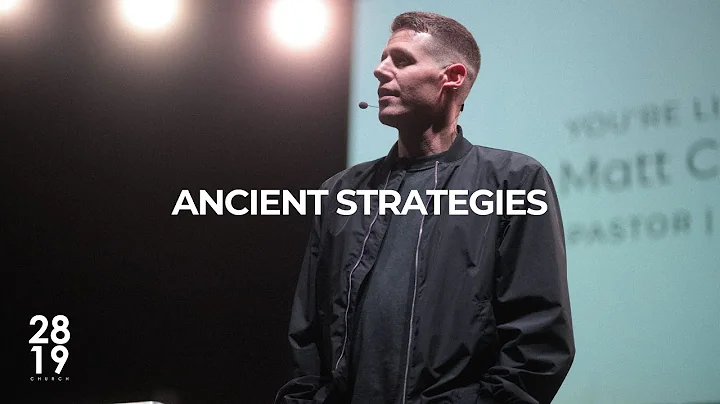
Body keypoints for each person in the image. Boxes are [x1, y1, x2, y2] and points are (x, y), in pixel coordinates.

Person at [275, 11, 574, 404]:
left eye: (401, 60)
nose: (379, 70)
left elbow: (537, 344)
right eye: (382, 58)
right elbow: (307, 341)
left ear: (452, 77)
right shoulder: (341, 192)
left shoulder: (514, 181)